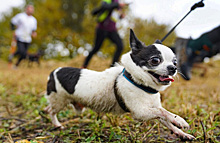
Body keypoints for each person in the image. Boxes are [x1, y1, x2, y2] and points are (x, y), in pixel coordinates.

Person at [82, 0, 126, 68]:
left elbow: (114, 16)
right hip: (102, 28)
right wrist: (118, 4)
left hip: (112, 30)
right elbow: (105, 7)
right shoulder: (109, 1)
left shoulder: (117, 4)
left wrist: (121, 16)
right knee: (96, 48)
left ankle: (112, 67)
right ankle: (84, 65)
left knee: (120, 46)